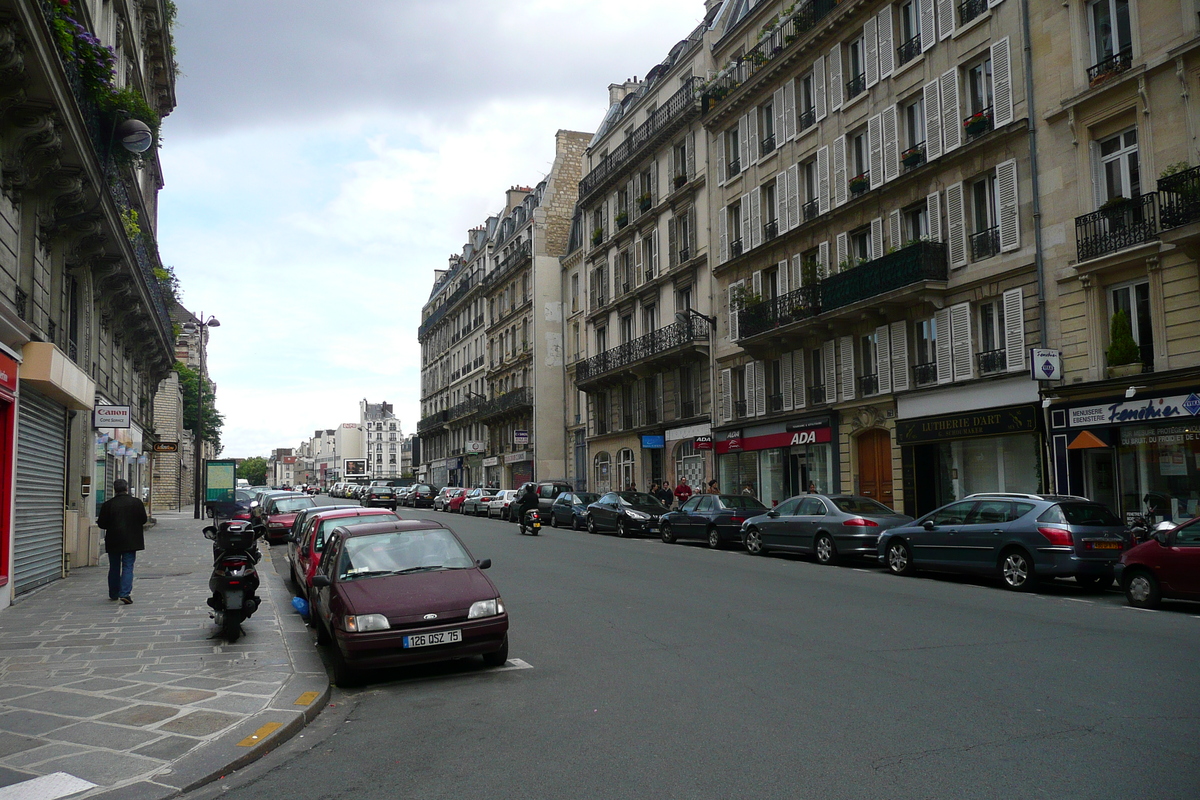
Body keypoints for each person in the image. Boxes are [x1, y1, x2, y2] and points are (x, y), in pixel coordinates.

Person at [96, 478, 147, 604]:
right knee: (128, 566)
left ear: (115, 490)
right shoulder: (136, 503)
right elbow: (143, 520)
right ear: (126, 488)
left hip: (113, 540)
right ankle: (125, 593)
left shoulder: (108, 505)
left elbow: (102, 524)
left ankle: (113, 593)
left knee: (114, 567)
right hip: (131, 540)